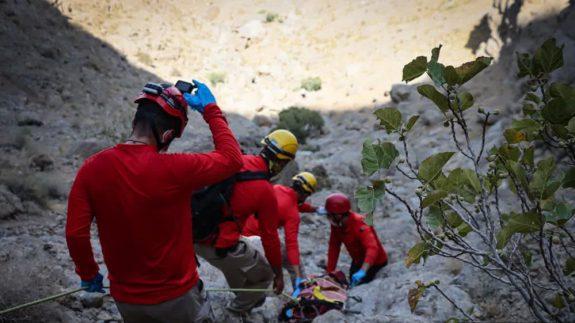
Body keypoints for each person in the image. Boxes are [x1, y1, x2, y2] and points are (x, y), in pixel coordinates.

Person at [66, 80, 242, 323]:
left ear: (135, 121)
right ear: (167, 134)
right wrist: (211, 111)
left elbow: (76, 234)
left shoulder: (91, 168)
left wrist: (88, 273)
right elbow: (232, 159)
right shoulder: (175, 168)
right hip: (178, 298)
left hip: (127, 302)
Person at [194, 129, 299, 314]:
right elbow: (270, 239)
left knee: (240, 251)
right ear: (282, 162)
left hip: (191, 234)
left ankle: (241, 294)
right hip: (217, 244)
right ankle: (234, 312)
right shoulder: (266, 191)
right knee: (264, 275)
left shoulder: (236, 160)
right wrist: (278, 274)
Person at [242, 172, 318, 295]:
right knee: (293, 262)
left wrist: (314, 209)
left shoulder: (277, 188)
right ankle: (302, 293)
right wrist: (298, 274)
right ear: (305, 193)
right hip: (258, 241)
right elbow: (291, 245)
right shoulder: (292, 214)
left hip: (242, 236)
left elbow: (289, 203)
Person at [324, 193, 388, 287]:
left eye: (330, 215)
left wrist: (363, 271)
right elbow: (334, 247)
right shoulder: (337, 226)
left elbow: (372, 248)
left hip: (375, 263)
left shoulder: (360, 223)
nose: (328, 218)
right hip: (358, 261)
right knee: (351, 287)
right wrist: (329, 272)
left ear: (338, 215)